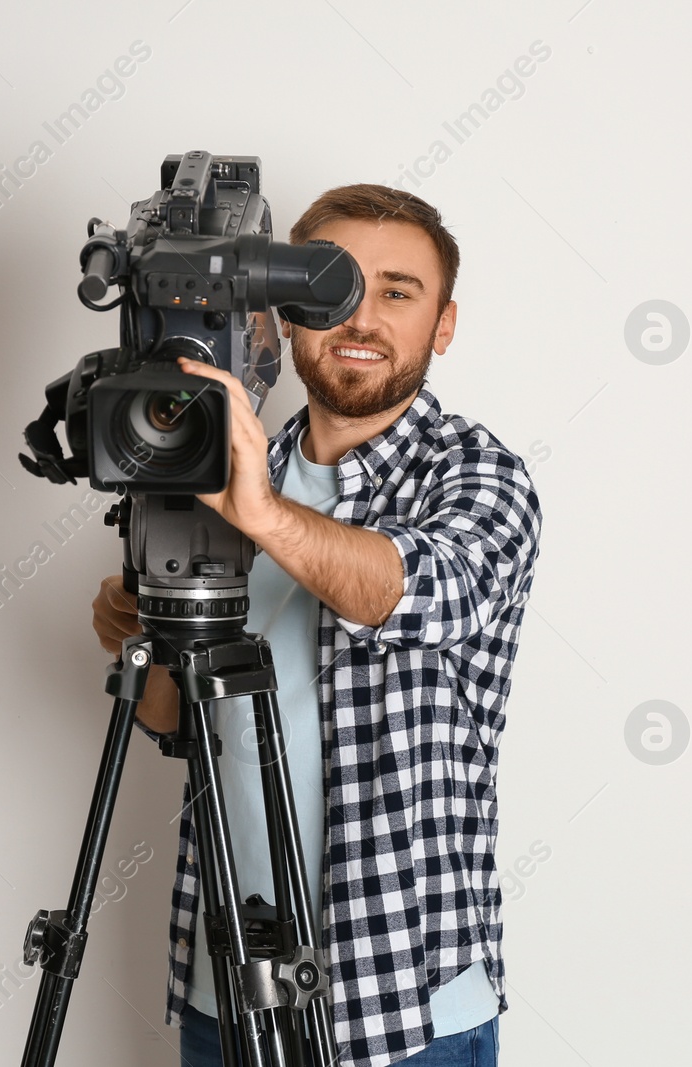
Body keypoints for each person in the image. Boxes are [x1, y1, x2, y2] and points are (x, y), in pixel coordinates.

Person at [89, 183, 543, 1067]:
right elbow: (177, 722)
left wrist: (260, 513)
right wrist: (140, 635)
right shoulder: (207, 463)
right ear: (277, 315)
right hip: (227, 987)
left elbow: (420, 590)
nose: (359, 317)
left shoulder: (479, 475)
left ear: (443, 324)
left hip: (401, 1005)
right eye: (328, 289)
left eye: (397, 291)